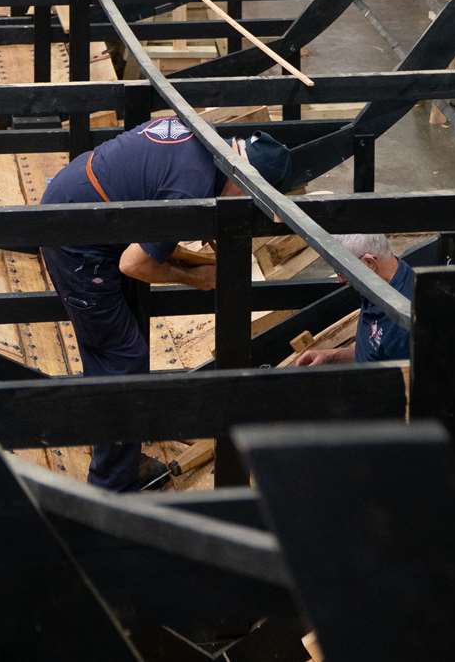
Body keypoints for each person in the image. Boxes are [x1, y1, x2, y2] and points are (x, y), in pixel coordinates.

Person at [41, 117, 294, 493]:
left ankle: (118, 453)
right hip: (77, 240)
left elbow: (149, 220)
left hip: (84, 203)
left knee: (118, 348)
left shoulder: (204, 138)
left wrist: (188, 259)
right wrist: (195, 278)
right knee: (122, 358)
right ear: (244, 184)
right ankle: (110, 486)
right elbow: (134, 263)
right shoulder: (189, 188)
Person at [293, 233, 414, 366]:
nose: (340, 279)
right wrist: (332, 356)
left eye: (342, 271)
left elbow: (395, 380)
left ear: (369, 263)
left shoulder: (402, 328)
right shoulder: (378, 286)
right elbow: (376, 355)